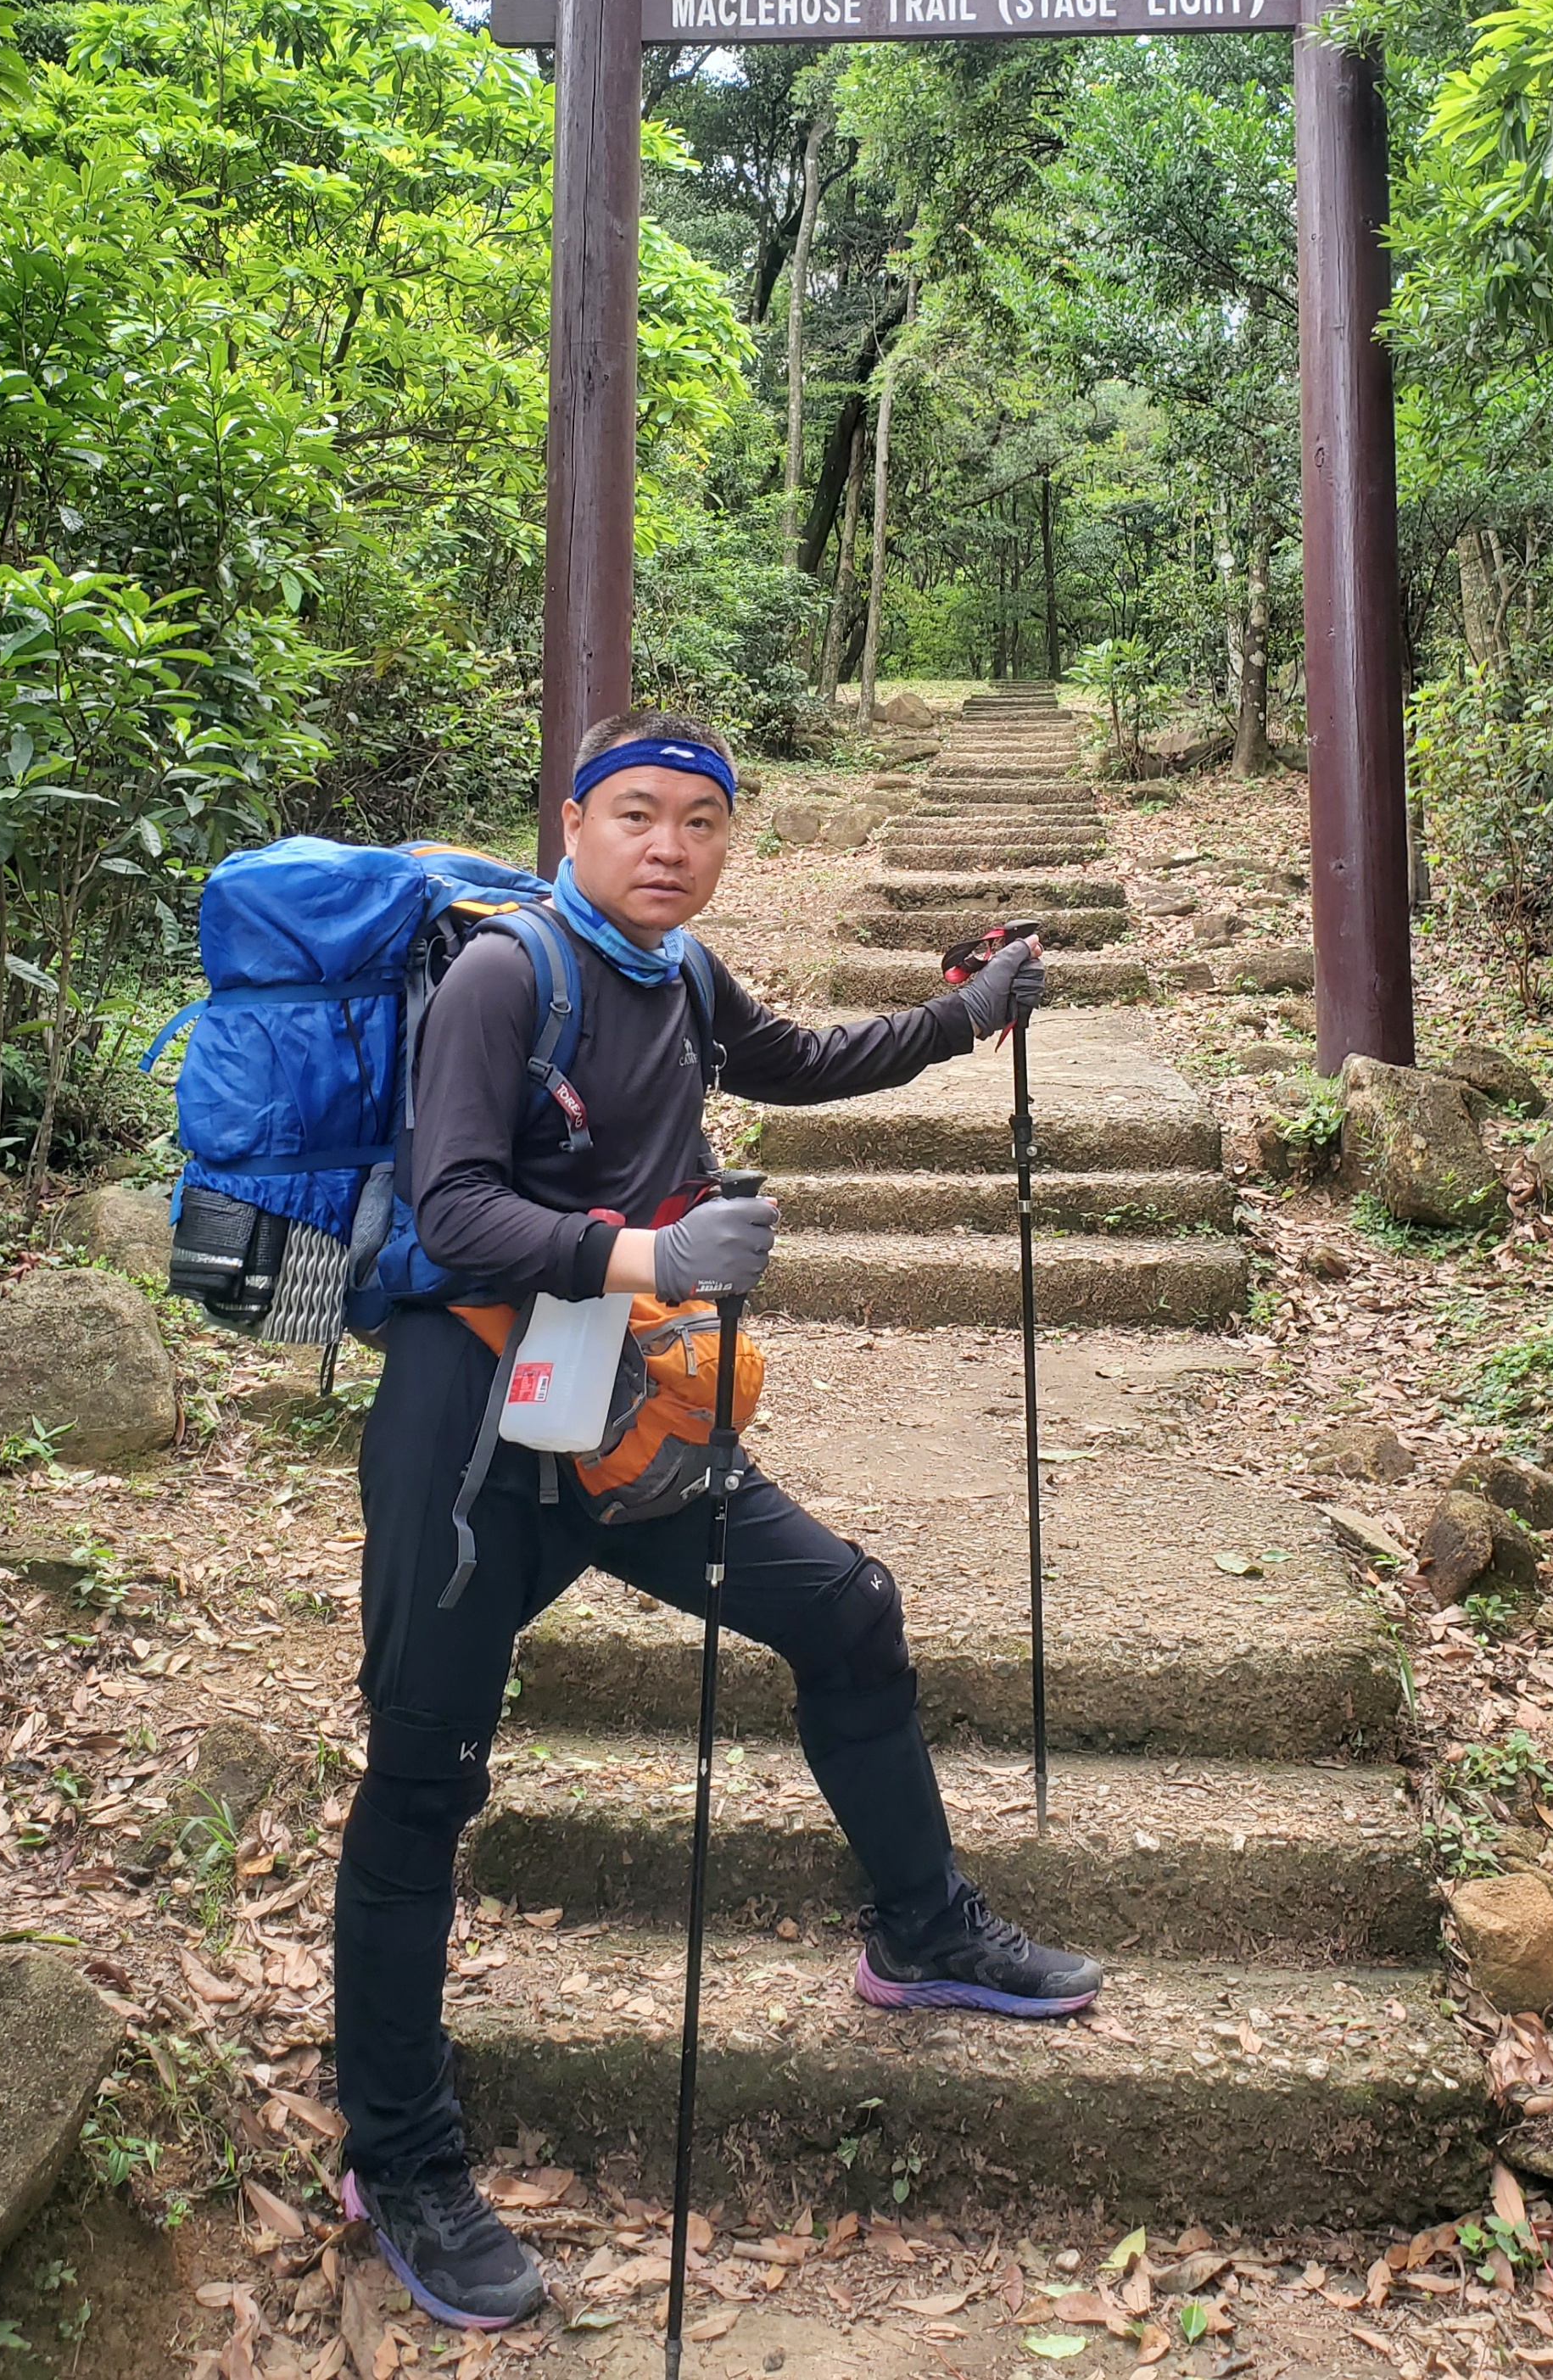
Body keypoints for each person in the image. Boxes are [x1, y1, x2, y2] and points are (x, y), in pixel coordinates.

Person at [333, 708, 1100, 2331]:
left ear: (728, 837)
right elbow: (456, 1197)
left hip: (627, 1413)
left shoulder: (679, 977)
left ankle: (920, 1927)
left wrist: (965, 1016)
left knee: (844, 1610)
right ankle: (396, 2151)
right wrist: (649, 1257)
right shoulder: (505, 975)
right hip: (466, 1424)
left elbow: (799, 1064)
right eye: (636, 814)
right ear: (573, 820)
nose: (668, 842)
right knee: (422, 1774)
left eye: (699, 818)